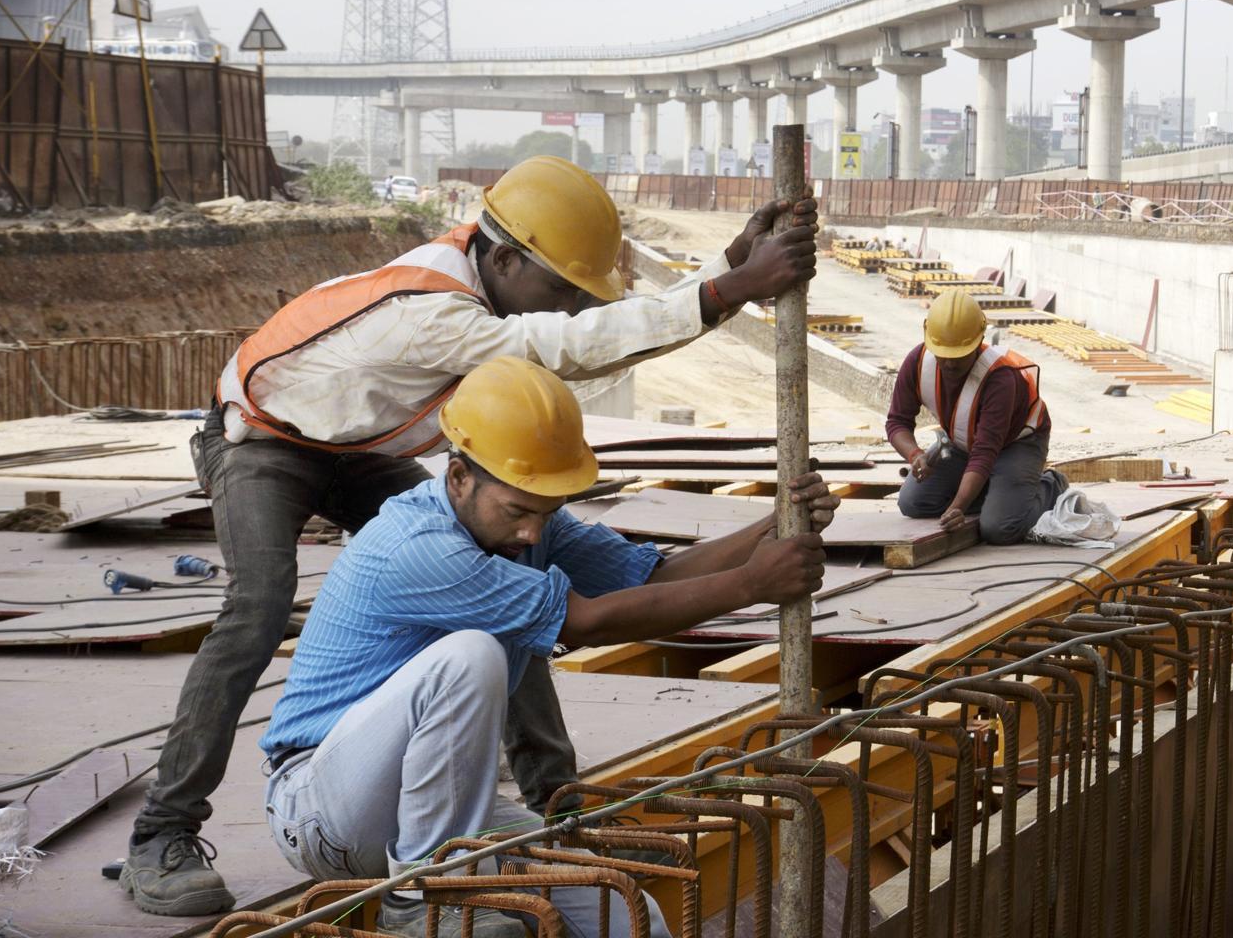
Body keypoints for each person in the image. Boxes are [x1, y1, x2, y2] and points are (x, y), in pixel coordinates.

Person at [122, 155, 818, 917]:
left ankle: (555, 796)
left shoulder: (478, 281)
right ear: (507, 258)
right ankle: (163, 833)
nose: (569, 306)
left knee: (507, 566)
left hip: (355, 449)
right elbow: (575, 345)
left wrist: (727, 270)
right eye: (559, 289)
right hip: (263, 439)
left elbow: (589, 342)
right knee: (258, 604)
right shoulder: (438, 310)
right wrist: (727, 291)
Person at [257, 356, 836, 938]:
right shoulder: (417, 546)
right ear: (459, 477)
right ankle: (423, 896)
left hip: (430, 812)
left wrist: (773, 526)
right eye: (518, 511)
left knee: (626, 913)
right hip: (322, 809)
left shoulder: (528, 528)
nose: (532, 533)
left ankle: (440, 874)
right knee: (472, 655)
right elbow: (583, 621)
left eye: (545, 511)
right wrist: (753, 585)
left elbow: (654, 580)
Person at [886, 289, 1065, 545]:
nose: (948, 365)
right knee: (913, 503)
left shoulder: (1001, 379)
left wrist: (958, 506)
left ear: (978, 340)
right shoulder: (917, 361)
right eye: (943, 355)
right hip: (963, 440)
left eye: (958, 357)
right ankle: (997, 495)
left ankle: (1050, 485)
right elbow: (897, 422)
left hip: (1017, 443)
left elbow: (984, 452)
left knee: (999, 528)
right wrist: (915, 455)